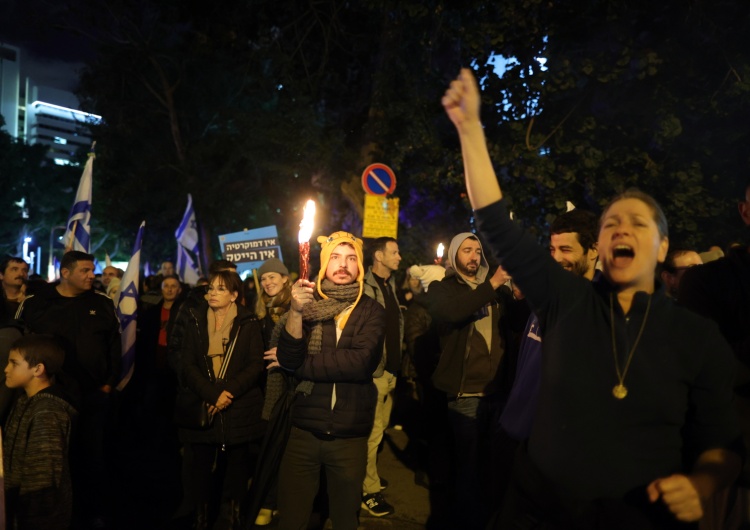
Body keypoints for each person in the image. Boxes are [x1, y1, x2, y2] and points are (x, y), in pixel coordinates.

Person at [442, 67, 742, 529]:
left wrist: (700, 484)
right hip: (535, 514)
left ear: (662, 248)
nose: (622, 227)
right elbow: (497, 225)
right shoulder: (567, 302)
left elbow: (724, 442)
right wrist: (470, 129)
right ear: (600, 248)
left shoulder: (695, 336)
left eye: (639, 223)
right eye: (611, 223)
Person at [274, 231, 385, 530]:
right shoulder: (307, 305)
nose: (343, 265)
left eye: (351, 259)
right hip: (303, 431)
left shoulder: (371, 310)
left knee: (345, 518)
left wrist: (298, 365)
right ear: (323, 265)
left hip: (349, 435)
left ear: (360, 267)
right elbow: (289, 350)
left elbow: (359, 363)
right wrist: (296, 312)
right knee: (293, 518)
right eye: (335, 257)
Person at [16, 250, 121, 528]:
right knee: (50, 460)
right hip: (46, 399)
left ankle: (92, 512)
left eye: (92, 270)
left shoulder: (102, 304)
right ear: (65, 273)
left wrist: (108, 384)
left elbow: (114, 348)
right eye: (85, 271)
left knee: (91, 456)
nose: (92, 276)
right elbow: (20, 345)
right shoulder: (37, 303)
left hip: (92, 396)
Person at [425, 232, 514, 529]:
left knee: (494, 466)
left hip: (497, 393)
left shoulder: (498, 292)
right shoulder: (444, 288)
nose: (474, 256)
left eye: (478, 251)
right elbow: (451, 312)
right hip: (465, 395)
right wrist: (493, 284)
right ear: (454, 256)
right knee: (468, 468)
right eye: (467, 250)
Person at [179, 269, 265, 530]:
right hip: (205, 403)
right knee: (201, 468)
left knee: (237, 468)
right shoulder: (195, 320)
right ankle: (202, 519)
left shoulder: (248, 323)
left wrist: (227, 393)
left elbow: (254, 365)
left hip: (238, 406)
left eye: (220, 289)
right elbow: (188, 364)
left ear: (234, 296)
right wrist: (211, 394)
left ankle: (234, 518)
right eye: (210, 289)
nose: (212, 293)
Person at [3, 334, 77, 530]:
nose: (6, 369)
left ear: (38, 369)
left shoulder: (47, 413)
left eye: (14, 363)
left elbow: (43, 479)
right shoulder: (24, 401)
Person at [361, 236, 403, 517]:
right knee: (372, 435)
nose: (399, 257)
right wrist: (376, 367)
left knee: (380, 430)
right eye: (395, 252)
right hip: (375, 372)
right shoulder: (364, 287)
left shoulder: (389, 285)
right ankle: (368, 491)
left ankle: (370, 476)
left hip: (390, 372)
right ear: (378, 255)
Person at [254, 257, 293, 526]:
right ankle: (270, 501)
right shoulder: (261, 312)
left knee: (287, 450)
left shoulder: (295, 310)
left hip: (290, 388)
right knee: (270, 449)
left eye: (273, 277)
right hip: (266, 388)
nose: (268, 282)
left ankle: (276, 502)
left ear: (285, 280)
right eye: (264, 278)